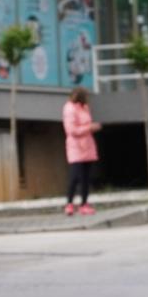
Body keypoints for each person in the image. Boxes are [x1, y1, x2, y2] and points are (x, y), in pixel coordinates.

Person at [61, 87, 101, 216]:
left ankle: (84, 204)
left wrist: (90, 128)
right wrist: (90, 127)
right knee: (75, 177)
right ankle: (69, 204)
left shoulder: (85, 107)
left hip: (87, 146)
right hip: (75, 148)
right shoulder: (69, 108)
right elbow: (71, 130)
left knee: (86, 178)